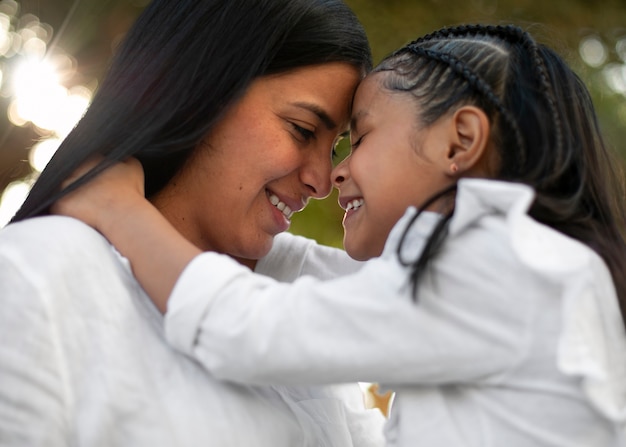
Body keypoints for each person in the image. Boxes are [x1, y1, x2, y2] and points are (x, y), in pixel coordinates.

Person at [53, 24, 626, 446]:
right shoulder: (529, 266)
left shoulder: (494, 266)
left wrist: (120, 211)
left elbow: (251, 329)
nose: (334, 175)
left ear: (458, 142)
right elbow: (320, 276)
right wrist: (226, 223)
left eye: (361, 137)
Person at [0, 0, 387, 446]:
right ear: (200, 92)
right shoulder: (42, 274)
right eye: (301, 130)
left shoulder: (296, 330)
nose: (322, 180)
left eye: (336, 147)